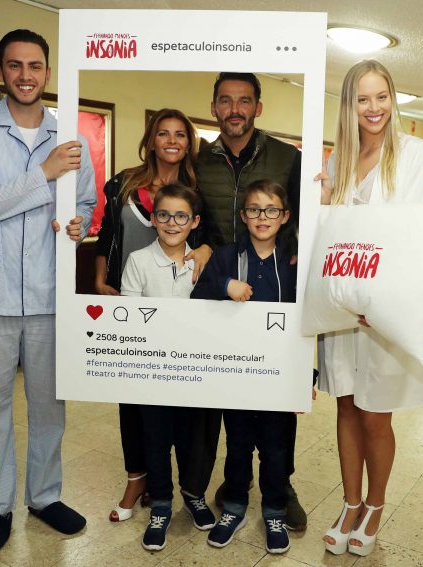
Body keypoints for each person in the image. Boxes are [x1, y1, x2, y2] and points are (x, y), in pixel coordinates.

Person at [0, 29, 96, 554]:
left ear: (48, 73)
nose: (25, 75)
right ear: (0, 71)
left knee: (49, 407)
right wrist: (44, 172)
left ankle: (44, 496)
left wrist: (79, 223)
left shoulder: (71, 137)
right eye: (15, 65)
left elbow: (86, 203)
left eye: (35, 66)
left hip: (48, 296)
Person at [316, 59, 423, 557]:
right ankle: (350, 503)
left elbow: (410, 232)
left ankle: (375, 506)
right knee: (345, 404)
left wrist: (379, 300)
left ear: (392, 98)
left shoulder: (411, 152)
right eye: (362, 98)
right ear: (349, 104)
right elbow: (330, 234)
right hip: (342, 305)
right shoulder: (338, 160)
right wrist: (324, 199)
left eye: (381, 96)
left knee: (374, 414)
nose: (373, 107)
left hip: (381, 308)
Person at [195, 72, 308, 532]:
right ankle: (235, 481)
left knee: (279, 409)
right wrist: (203, 250)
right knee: (234, 402)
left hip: (276, 281)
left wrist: (298, 251)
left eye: (244, 101)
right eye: (225, 100)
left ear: (258, 107)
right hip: (224, 287)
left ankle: (282, 487)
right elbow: (190, 210)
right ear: (214, 107)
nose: (235, 109)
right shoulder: (200, 160)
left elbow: (305, 212)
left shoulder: (287, 156)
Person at [94, 110, 214, 529]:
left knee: (180, 408)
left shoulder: (199, 189)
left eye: (180, 134)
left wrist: (205, 250)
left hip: (182, 303)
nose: (171, 140)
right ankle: (137, 479)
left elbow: (211, 237)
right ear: (150, 139)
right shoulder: (123, 183)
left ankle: (186, 487)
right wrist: (100, 279)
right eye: (163, 133)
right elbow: (107, 235)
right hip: (130, 295)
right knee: (134, 399)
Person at [192, 180, 297, 554]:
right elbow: (198, 295)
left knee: (276, 448)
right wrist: (225, 285)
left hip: (279, 377)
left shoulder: (294, 262)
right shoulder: (226, 257)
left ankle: (274, 511)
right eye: (254, 209)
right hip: (235, 373)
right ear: (243, 215)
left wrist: (305, 376)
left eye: (271, 210)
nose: (262, 217)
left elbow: (308, 321)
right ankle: (234, 506)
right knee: (237, 444)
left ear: (284, 216)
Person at [119, 183, 213, 551]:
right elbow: (128, 317)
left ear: (195, 222)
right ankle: (160, 503)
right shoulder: (138, 261)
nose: (172, 223)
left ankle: (193, 494)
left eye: (181, 216)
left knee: (193, 440)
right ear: (154, 219)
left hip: (194, 373)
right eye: (164, 215)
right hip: (151, 374)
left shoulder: (204, 263)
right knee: (155, 440)